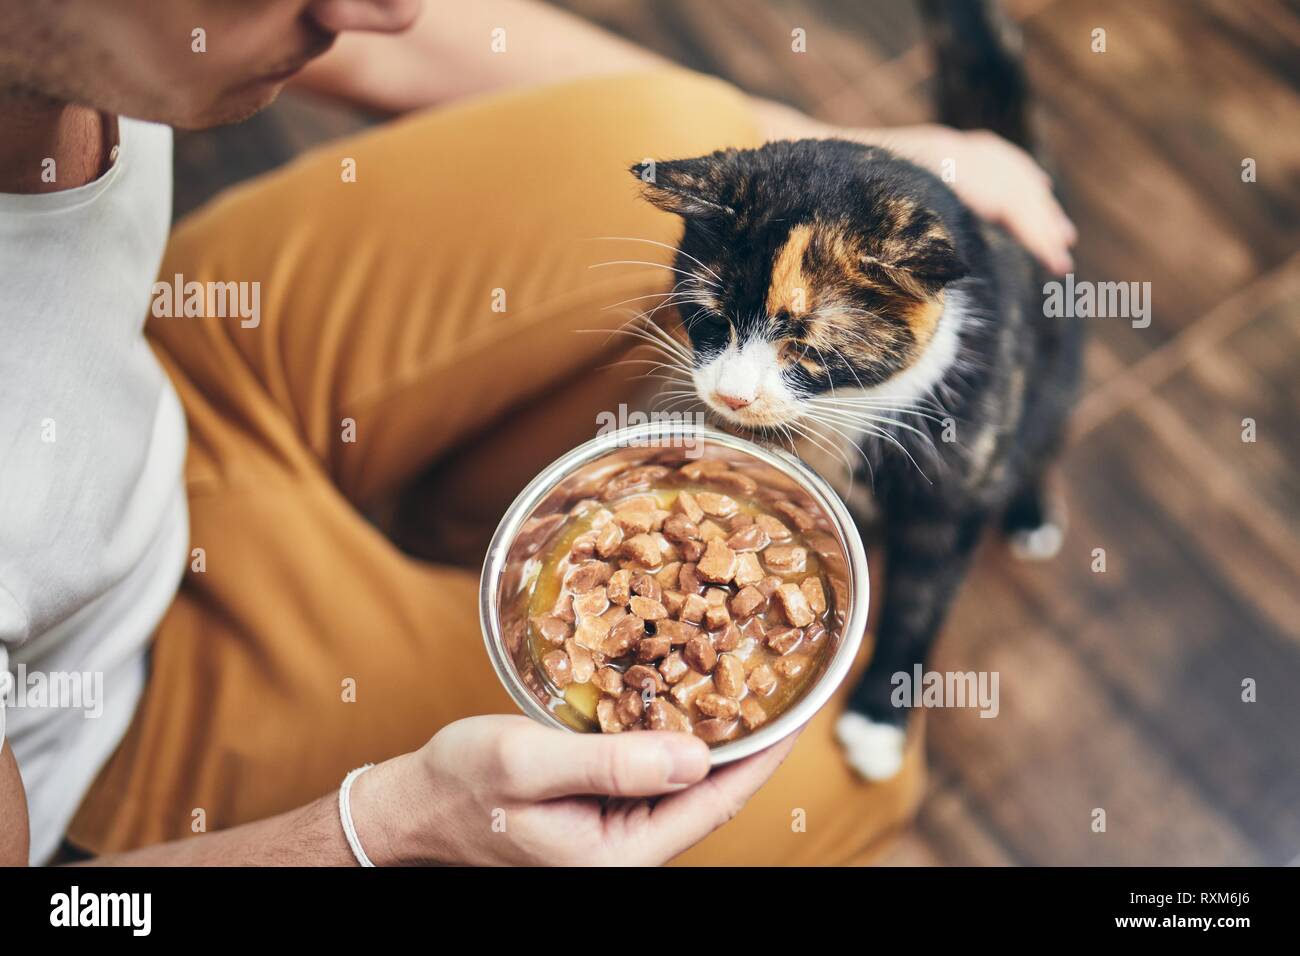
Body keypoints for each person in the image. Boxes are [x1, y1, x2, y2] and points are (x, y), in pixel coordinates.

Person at [0, 0, 1075, 866]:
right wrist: (386, 829)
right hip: (102, 715)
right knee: (843, 778)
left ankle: (441, 516)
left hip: (153, 377)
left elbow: (407, 48)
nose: (386, 5)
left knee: (659, 116)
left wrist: (853, 163)